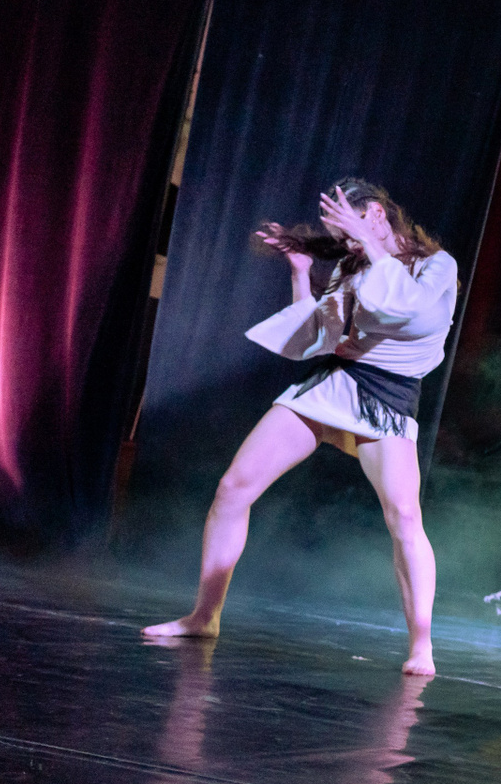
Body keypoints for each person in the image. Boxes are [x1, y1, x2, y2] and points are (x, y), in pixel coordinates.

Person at [143, 180, 458, 677]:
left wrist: (368, 248)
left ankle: (422, 645)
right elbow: (320, 337)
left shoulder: (436, 265)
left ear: (377, 214)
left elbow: (408, 311)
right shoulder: (354, 265)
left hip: (387, 398)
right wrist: (301, 273)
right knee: (233, 487)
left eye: (352, 229)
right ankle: (205, 615)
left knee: (403, 517)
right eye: (342, 237)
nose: (347, 243)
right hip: (335, 384)